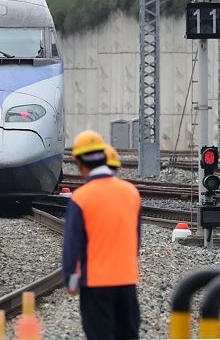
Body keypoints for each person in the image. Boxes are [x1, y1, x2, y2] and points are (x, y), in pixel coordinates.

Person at [63, 130, 142, 340]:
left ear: (79, 161)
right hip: (127, 280)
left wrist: (71, 279)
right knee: (128, 335)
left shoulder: (81, 197)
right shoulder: (131, 192)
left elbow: (73, 244)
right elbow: (136, 240)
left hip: (96, 283)